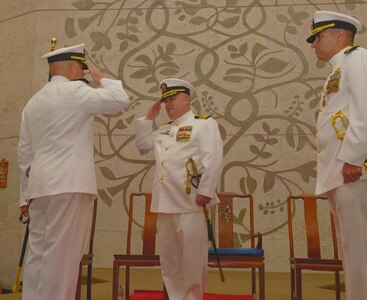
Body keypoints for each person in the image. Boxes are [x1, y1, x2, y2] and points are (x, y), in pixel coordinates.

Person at [17, 42, 129, 300]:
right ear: (70, 67)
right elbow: (119, 100)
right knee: (63, 259)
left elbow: (24, 155)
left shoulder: (32, 103)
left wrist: (24, 197)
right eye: (82, 67)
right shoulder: (76, 91)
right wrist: (102, 79)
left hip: (39, 189)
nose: (83, 73)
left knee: (38, 257)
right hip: (69, 185)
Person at [307, 11, 367, 300]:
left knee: (360, 251)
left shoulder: (358, 58)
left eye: (318, 37)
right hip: (344, 172)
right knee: (353, 251)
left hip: (356, 170)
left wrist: (352, 160)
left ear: (339, 35)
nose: (314, 44)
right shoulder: (338, 69)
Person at [135, 78, 223, 300]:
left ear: (186, 99)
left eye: (173, 99)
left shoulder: (203, 123)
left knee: (193, 260)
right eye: (165, 101)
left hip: (190, 202)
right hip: (165, 204)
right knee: (170, 261)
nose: (168, 104)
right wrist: (148, 118)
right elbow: (142, 144)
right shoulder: (165, 130)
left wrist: (206, 190)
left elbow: (213, 159)